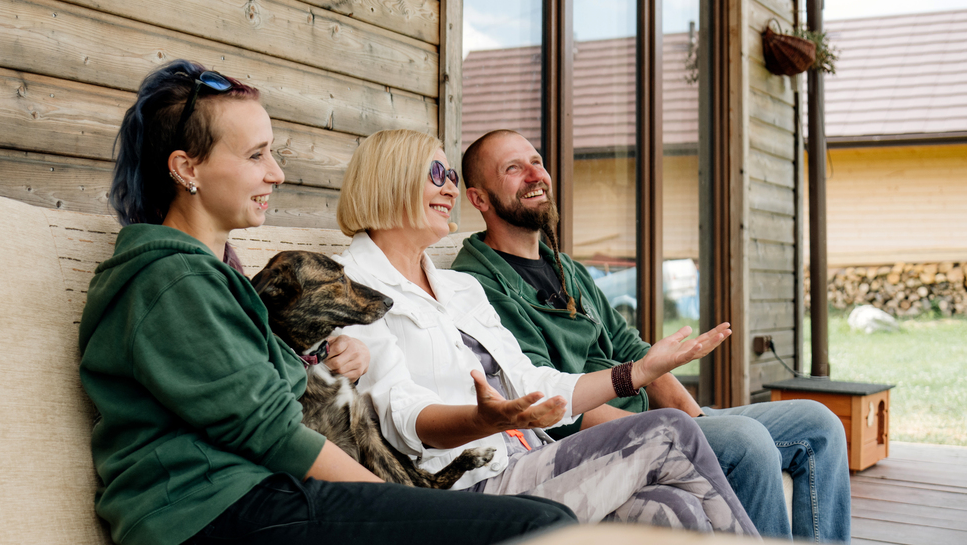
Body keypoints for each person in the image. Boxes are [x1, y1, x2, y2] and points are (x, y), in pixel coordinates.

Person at [76, 62, 581, 545]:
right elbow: (273, 432)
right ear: (188, 168)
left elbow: (267, 391)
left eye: (271, 153)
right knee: (544, 526)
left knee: (549, 520)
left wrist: (333, 363)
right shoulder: (170, 279)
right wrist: (402, 505)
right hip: (207, 513)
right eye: (256, 156)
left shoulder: (211, 274)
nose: (276, 173)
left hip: (257, 495)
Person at [333, 129, 758, 534]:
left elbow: (533, 380)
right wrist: (484, 420)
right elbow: (404, 417)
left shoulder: (459, 288)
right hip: (467, 488)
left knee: (672, 508)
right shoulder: (348, 288)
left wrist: (639, 372)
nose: (450, 190)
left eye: (452, 177)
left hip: (530, 455)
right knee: (670, 429)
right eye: (437, 175)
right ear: (391, 181)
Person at [451, 129, 852, 542]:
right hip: (608, 434)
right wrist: (663, 430)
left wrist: (694, 420)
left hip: (657, 419)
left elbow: (633, 350)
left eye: (536, 161)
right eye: (513, 168)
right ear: (479, 199)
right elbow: (554, 408)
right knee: (746, 442)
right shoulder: (478, 285)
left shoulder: (564, 267)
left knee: (821, 425)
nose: (535, 175)